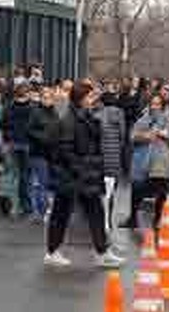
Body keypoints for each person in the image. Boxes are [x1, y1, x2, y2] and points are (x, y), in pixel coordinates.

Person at [45, 82, 123, 269]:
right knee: (63, 213)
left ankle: (101, 251)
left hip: (82, 173)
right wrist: (81, 168)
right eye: (89, 97)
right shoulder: (70, 119)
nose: (93, 100)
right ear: (80, 99)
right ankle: (54, 251)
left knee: (92, 211)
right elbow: (66, 148)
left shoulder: (82, 116)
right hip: (74, 174)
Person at [128, 92, 169, 232]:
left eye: (157, 104)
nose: (155, 107)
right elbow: (132, 136)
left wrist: (167, 135)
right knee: (137, 189)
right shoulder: (143, 120)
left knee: (161, 192)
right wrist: (145, 136)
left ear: (163, 106)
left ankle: (157, 220)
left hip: (163, 165)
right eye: (152, 104)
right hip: (143, 164)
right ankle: (132, 218)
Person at [0, 79, 37, 217]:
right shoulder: (33, 108)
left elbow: (3, 125)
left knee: (9, 174)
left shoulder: (8, 107)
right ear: (27, 93)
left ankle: (6, 203)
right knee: (26, 176)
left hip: (11, 143)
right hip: (27, 144)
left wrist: (8, 136)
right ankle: (25, 206)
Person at [27, 84, 59, 221]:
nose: (47, 100)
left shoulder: (55, 112)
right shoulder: (35, 112)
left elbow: (58, 128)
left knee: (46, 182)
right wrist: (43, 137)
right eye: (44, 97)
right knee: (41, 182)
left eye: (49, 97)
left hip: (52, 152)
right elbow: (29, 130)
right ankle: (41, 209)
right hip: (38, 152)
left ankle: (43, 209)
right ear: (40, 98)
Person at [97, 90, 127, 232]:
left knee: (100, 191)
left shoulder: (97, 114)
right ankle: (108, 219)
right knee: (111, 192)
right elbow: (123, 135)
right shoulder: (120, 114)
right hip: (115, 157)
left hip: (101, 157)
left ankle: (100, 220)